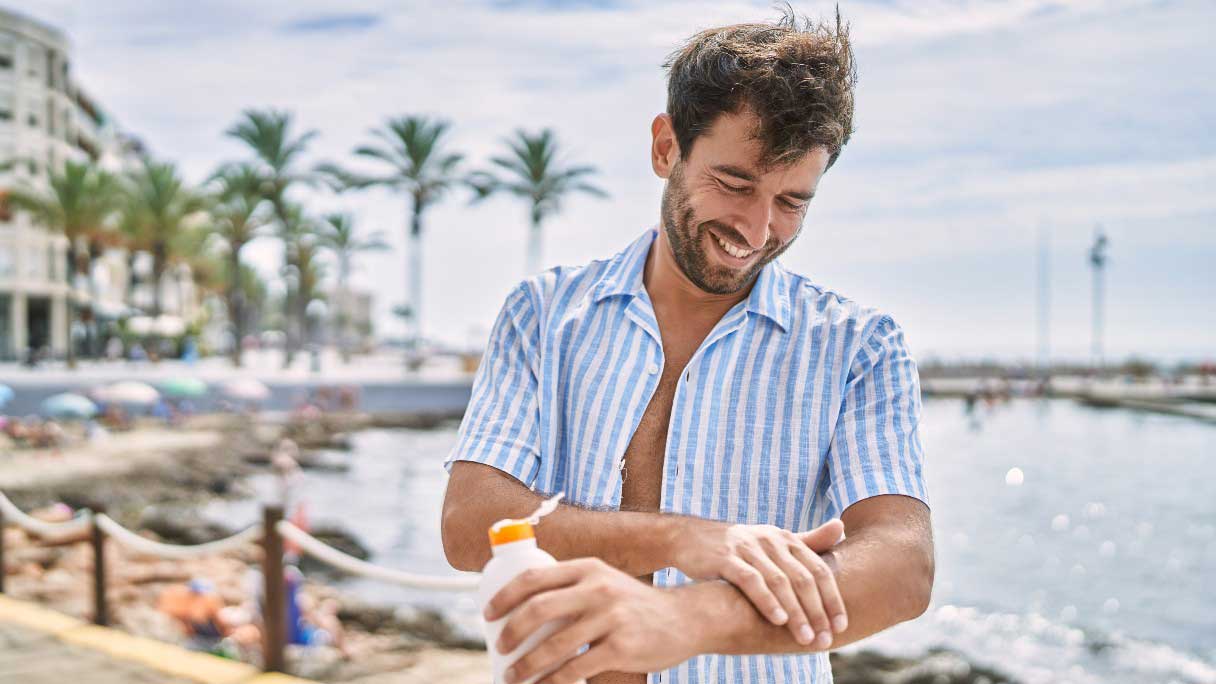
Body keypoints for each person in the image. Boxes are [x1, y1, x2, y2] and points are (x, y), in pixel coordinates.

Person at [440, 8, 933, 684]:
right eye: (735, 184)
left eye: (793, 202)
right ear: (666, 147)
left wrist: (688, 619)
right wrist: (688, 540)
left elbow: (903, 567)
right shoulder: (543, 313)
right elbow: (470, 522)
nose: (757, 230)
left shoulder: (859, 346)